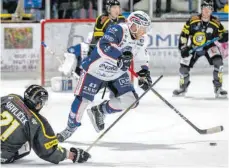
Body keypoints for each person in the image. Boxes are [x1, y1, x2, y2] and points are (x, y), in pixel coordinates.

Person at [57, 11, 152, 142]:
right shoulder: (118, 29)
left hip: (116, 74)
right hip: (95, 71)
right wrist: (119, 57)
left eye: (145, 29)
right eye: (141, 28)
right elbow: (103, 46)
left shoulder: (142, 39)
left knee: (131, 101)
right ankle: (70, 128)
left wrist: (143, 74)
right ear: (132, 25)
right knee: (82, 101)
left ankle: (100, 110)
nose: (143, 32)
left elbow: (141, 57)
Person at [1, 85, 90, 164]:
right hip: (2, 154)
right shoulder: (38, 123)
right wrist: (72, 155)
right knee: (27, 147)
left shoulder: (11, 97)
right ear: (38, 104)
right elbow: (48, 151)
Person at [173, 0, 228, 98]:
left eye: (209, 8)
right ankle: (183, 87)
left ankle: (218, 87)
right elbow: (184, 35)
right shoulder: (192, 20)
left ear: (212, 10)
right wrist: (183, 47)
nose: (207, 11)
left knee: (218, 63)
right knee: (183, 65)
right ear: (201, 9)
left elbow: (222, 34)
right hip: (194, 47)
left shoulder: (216, 22)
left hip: (209, 47)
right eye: (204, 8)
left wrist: (224, 36)